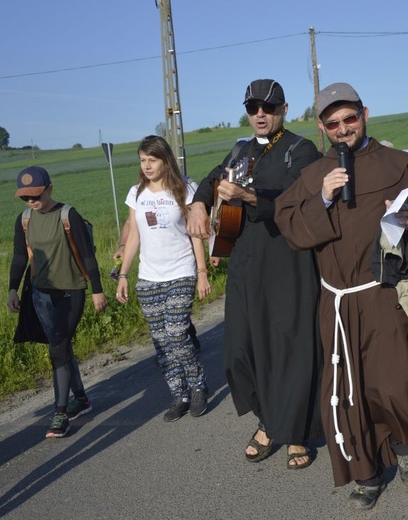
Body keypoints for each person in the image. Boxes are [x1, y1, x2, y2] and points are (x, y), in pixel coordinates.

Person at [274, 82, 408, 510]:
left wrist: (407, 217)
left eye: (350, 118)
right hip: (335, 300)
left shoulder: (396, 162)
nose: (343, 128)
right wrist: (323, 198)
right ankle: (365, 473)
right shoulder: (314, 175)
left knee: (393, 380)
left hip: (382, 291)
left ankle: (406, 450)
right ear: (322, 127)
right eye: (332, 123)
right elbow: (288, 224)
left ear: (364, 113)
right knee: (346, 392)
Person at [187, 79, 321, 469]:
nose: (260, 114)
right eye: (253, 107)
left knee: (287, 347)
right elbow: (215, 176)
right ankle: (267, 417)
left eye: (268, 106)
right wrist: (199, 203)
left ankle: (293, 432)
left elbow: (301, 200)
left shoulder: (301, 149)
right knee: (241, 350)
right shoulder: (241, 149)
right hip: (245, 263)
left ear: (284, 109)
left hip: (288, 262)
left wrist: (248, 197)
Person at [115, 135, 211, 421]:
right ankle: (178, 394)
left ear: (165, 159)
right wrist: (123, 275)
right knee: (160, 340)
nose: (146, 165)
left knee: (177, 333)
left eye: (152, 160)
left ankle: (197, 386)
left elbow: (196, 233)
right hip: (148, 278)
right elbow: (133, 234)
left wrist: (202, 273)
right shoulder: (137, 193)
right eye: (142, 160)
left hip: (181, 271)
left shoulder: (184, 189)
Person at [7, 166, 107, 439]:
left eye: (35, 195)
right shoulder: (24, 219)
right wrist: (12, 289)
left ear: (50, 188)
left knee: (59, 347)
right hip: (40, 293)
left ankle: (60, 413)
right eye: (25, 198)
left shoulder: (67, 215)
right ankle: (82, 399)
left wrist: (97, 290)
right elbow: (19, 257)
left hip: (71, 292)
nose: (31, 201)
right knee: (59, 348)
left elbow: (88, 257)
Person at [114, 214, 202, 352]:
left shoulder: (181, 192)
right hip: (152, 271)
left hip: (180, 265)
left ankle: (186, 346)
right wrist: (122, 247)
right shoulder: (137, 193)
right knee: (164, 326)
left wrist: (202, 270)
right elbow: (131, 223)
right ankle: (171, 355)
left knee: (176, 324)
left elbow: (194, 220)